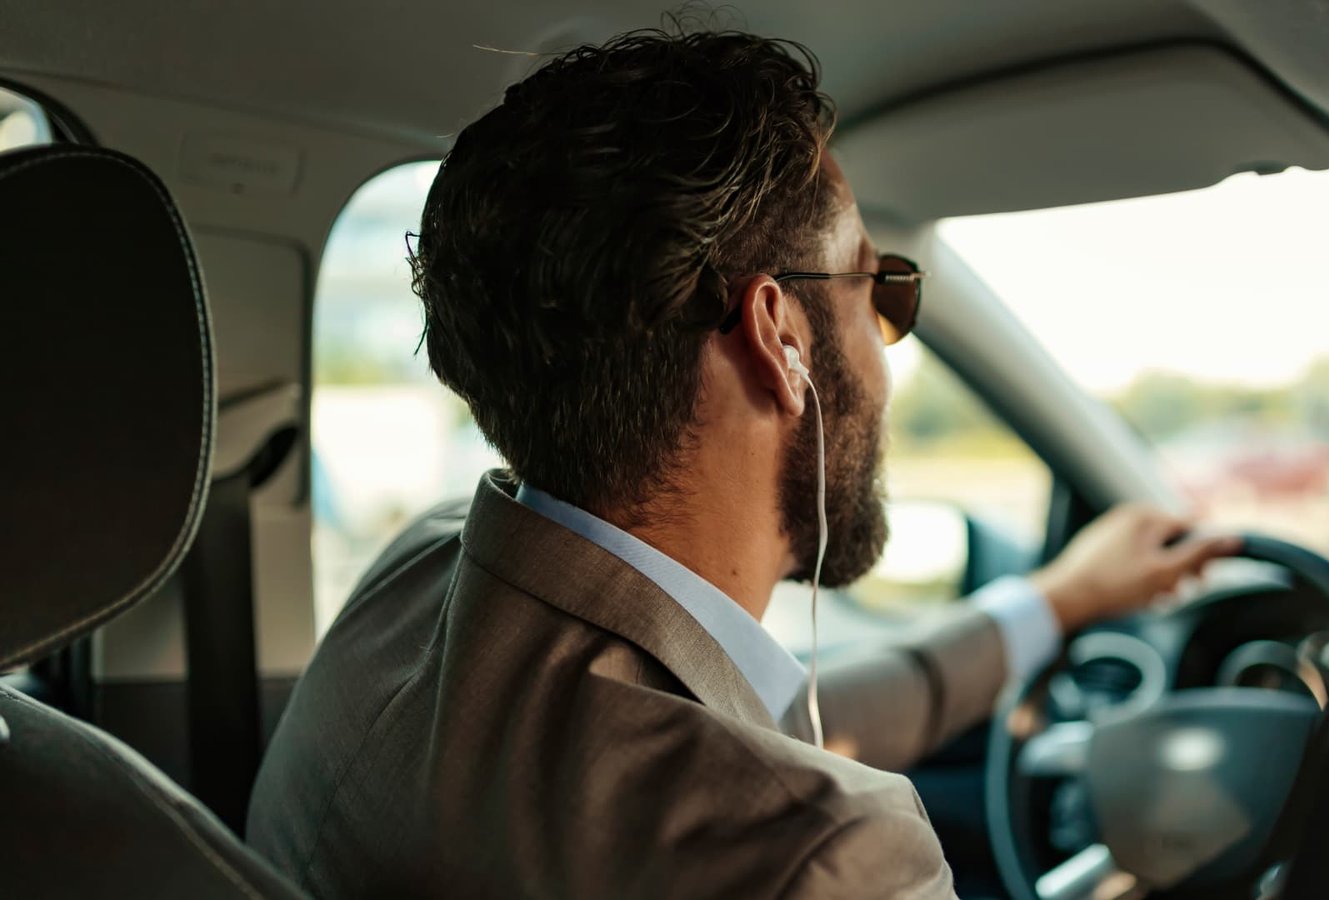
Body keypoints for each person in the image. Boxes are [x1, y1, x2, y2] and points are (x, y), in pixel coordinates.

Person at [247, 26, 1239, 898]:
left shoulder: (418, 584)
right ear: (779, 335)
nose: (888, 364)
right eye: (875, 291)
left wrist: (1056, 601)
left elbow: (770, 723)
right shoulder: (825, 856)